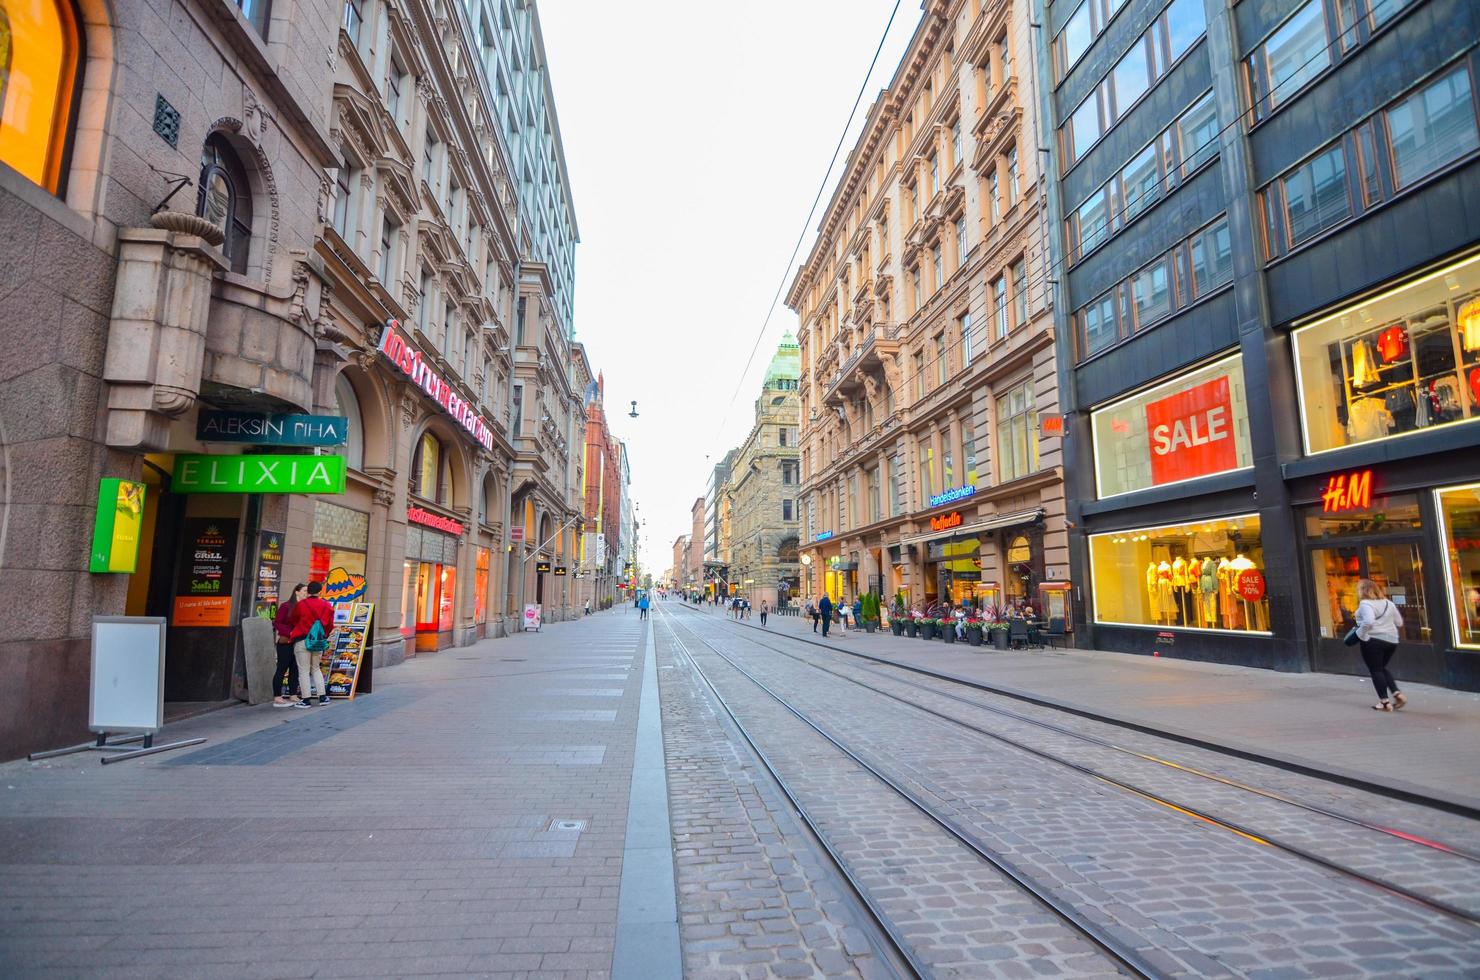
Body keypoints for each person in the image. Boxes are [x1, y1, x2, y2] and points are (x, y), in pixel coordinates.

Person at [1355, 578, 1406, 711]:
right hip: (1392, 641)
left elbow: (1369, 622)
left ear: (1362, 591)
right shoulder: (1389, 603)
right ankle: (1396, 693)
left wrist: (1359, 633)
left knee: (1376, 670)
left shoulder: (1365, 604)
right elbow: (1399, 622)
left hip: (1373, 640)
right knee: (1381, 668)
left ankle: (1384, 702)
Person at [291, 581, 334, 707]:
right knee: (316, 668)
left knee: (303, 670)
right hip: (318, 641)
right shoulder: (326, 605)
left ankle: (306, 699)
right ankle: (322, 697)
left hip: (302, 640)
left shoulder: (301, 604)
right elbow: (330, 624)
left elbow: (294, 619)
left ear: (308, 591)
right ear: (320, 591)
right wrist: (323, 635)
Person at [271, 584, 306, 707]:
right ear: (296, 592)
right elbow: (277, 623)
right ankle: (277, 696)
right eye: (304, 591)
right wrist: (289, 632)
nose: (306, 593)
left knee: (295, 669)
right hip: (286, 642)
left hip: (300, 642)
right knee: (282, 668)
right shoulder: (286, 606)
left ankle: (293, 694)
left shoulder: (304, 607)